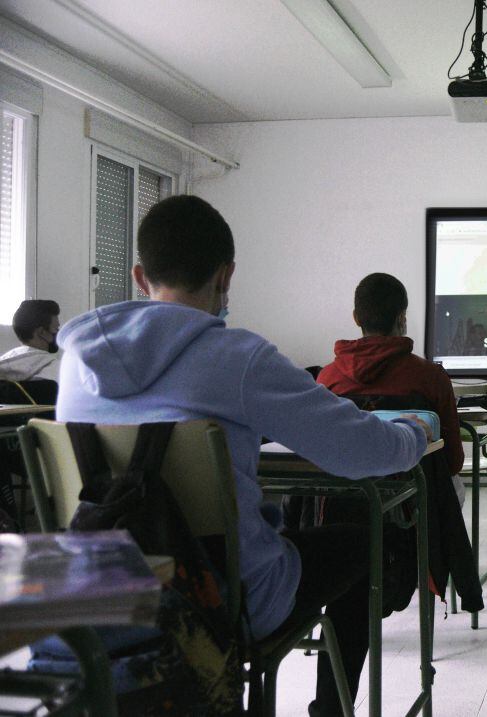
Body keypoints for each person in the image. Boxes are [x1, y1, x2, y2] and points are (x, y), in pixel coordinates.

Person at [55, 195, 430, 717]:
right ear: (227, 275)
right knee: (363, 538)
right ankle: (331, 708)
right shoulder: (241, 359)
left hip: (97, 589)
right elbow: (361, 454)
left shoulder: (76, 359)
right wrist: (414, 433)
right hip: (219, 599)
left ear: (141, 276)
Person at [316, 272, 464, 475]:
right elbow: (453, 462)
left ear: (356, 317)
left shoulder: (327, 379)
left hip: (347, 498)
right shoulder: (431, 377)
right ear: (402, 318)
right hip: (418, 499)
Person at [0, 299, 61, 382]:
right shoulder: (59, 370)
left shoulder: (4, 364)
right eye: (56, 328)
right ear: (41, 332)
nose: (58, 332)